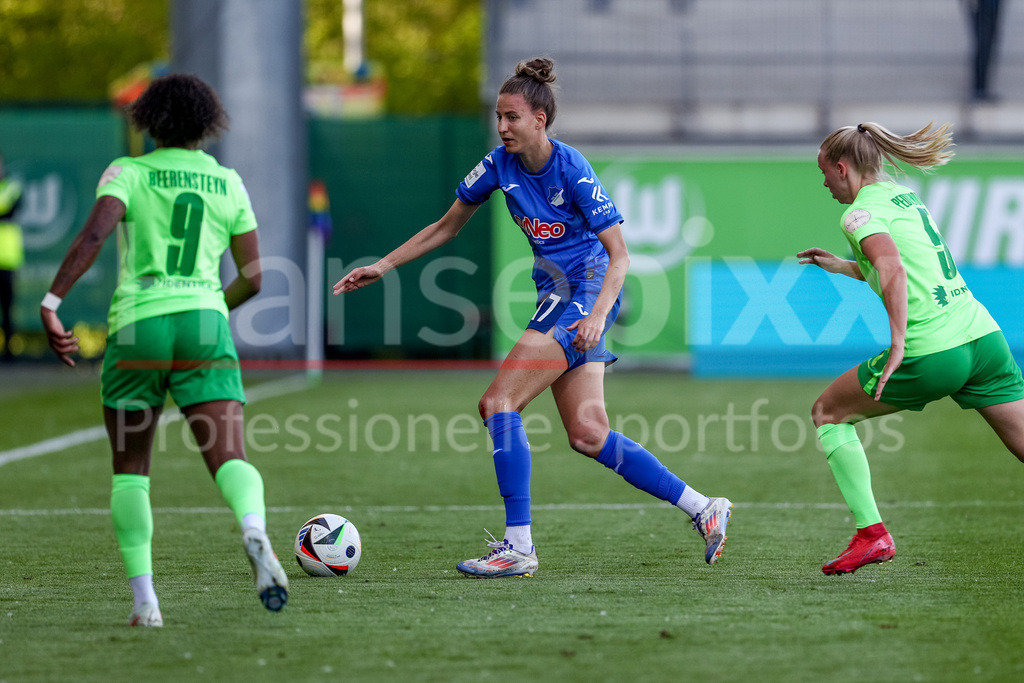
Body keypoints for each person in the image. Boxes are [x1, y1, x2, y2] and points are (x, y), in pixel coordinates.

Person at [334, 57, 732, 578]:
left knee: (498, 400)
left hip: (580, 293)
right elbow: (445, 227)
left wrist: (596, 315)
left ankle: (518, 546)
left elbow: (620, 256)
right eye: (498, 117)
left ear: (540, 120)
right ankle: (705, 508)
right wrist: (383, 265)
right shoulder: (497, 165)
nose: (502, 127)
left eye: (512, 118)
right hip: (557, 294)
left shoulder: (572, 168)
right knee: (589, 433)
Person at [40, 74, 288, 624]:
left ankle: (147, 603)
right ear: (208, 123)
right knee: (230, 457)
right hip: (203, 323)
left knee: (131, 468)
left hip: (140, 327)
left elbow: (94, 237)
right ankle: (253, 529)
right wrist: (211, 308)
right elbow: (253, 278)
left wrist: (54, 300)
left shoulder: (128, 172)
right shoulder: (228, 181)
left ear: (148, 120)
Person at [798, 121, 1024, 575]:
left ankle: (871, 535)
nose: (824, 183)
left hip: (933, 350)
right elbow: (903, 265)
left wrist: (899, 339)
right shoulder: (904, 197)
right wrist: (845, 266)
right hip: (982, 337)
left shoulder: (858, 214)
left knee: (827, 414)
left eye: (825, 173)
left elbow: (892, 266)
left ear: (842, 168)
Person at [0, 152, 24, 361]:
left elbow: (13, 211)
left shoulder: (12, 188)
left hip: (7, 259)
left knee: (8, 307)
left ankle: (9, 350)